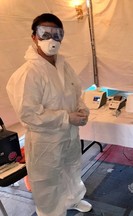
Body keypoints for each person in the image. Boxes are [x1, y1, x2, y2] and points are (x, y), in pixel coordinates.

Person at [6, 13, 92, 216]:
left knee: (72, 169)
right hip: (46, 141)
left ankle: (74, 199)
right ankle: (51, 213)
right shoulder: (29, 73)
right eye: (45, 33)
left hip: (69, 135)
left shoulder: (63, 65)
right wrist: (66, 117)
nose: (51, 40)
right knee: (47, 181)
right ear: (34, 36)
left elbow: (76, 92)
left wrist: (82, 110)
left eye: (57, 34)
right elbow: (29, 115)